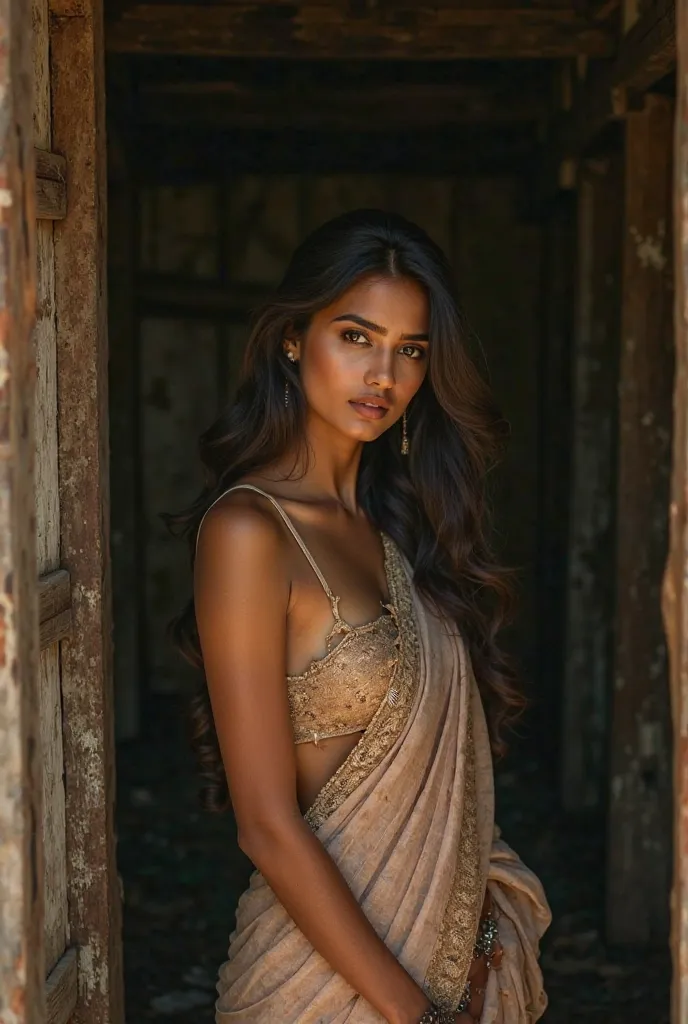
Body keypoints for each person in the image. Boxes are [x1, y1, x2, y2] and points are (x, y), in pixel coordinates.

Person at [169, 209, 551, 1023]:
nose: (383, 372)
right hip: (318, 991)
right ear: (292, 339)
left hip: (455, 977)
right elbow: (266, 826)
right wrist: (415, 1016)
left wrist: (473, 958)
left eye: (410, 349)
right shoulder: (249, 531)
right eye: (356, 336)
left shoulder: (399, 531)